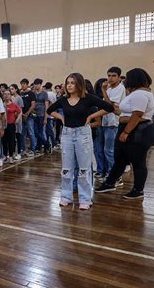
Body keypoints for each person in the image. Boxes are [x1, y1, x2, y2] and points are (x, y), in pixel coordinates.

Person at [47, 73, 114, 210]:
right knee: (66, 168)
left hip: (83, 133)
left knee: (84, 168)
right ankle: (66, 196)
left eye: (72, 82)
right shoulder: (63, 99)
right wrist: (61, 117)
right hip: (67, 134)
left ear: (79, 84)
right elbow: (50, 110)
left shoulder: (87, 98)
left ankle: (85, 198)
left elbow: (109, 108)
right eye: (68, 83)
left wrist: (91, 116)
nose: (69, 85)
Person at [96, 68, 154, 199]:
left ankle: (138, 190)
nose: (126, 80)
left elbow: (137, 115)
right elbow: (122, 112)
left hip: (137, 131)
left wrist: (126, 131)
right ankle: (110, 183)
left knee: (138, 162)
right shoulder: (135, 93)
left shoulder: (140, 94)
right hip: (129, 128)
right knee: (120, 159)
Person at [101, 66, 126, 185]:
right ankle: (111, 174)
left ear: (119, 77)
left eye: (113, 76)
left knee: (109, 150)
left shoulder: (120, 89)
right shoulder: (110, 89)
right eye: (109, 75)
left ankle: (116, 176)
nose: (110, 78)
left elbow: (110, 105)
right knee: (107, 150)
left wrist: (103, 90)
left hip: (114, 122)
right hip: (106, 121)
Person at [93, 78, 108, 179]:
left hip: (105, 123)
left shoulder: (108, 95)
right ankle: (101, 169)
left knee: (104, 149)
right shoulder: (96, 97)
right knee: (100, 148)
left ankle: (103, 170)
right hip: (100, 123)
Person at [2, 88, 21, 164]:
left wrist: (17, 120)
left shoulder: (14, 105)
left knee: (11, 141)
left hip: (11, 125)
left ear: (10, 96)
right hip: (3, 125)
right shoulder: (1, 104)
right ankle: (5, 156)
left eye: (8, 94)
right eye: (5, 94)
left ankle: (10, 157)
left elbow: (20, 112)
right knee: (4, 141)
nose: (6, 96)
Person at [32, 78, 51, 154]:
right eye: (35, 84)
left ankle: (39, 146)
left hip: (41, 114)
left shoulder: (44, 93)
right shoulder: (33, 93)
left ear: (40, 85)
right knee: (36, 132)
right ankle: (46, 144)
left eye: (37, 84)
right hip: (34, 114)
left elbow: (46, 106)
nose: (35, 86)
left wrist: (46, 118)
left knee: (39, 132)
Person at [20, 78, 37, 157]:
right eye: (21, 84)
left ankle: (33, 150)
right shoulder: (20, 93)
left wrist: (27, 113)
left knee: (31, 133)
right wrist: (22, 114)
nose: (22, 85)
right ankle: (23, 150)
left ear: (27, 84)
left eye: (24, 84)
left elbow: (33, 105)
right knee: (22, 134)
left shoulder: (31, 93)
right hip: (21, 116)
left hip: (29, 116)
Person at [9, 84, 24, 160]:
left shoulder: (19, 98)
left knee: (18, 136)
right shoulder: (10, 97)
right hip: (11, 119)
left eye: (12, 89)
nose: (11, 90)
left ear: (16, 89)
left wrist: (17, 118)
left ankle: (19, 152)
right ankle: (13, 152)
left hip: (17, 119)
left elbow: (20, 110)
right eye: (10, 89)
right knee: (12, 137)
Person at [44, 82, 57, 149]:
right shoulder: (54, 94)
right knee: (50, 129)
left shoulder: (45, 94)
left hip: (46, 114)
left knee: (47, 130)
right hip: (52, 113)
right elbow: (55, 103)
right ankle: (52, 142)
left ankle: (51, 142)